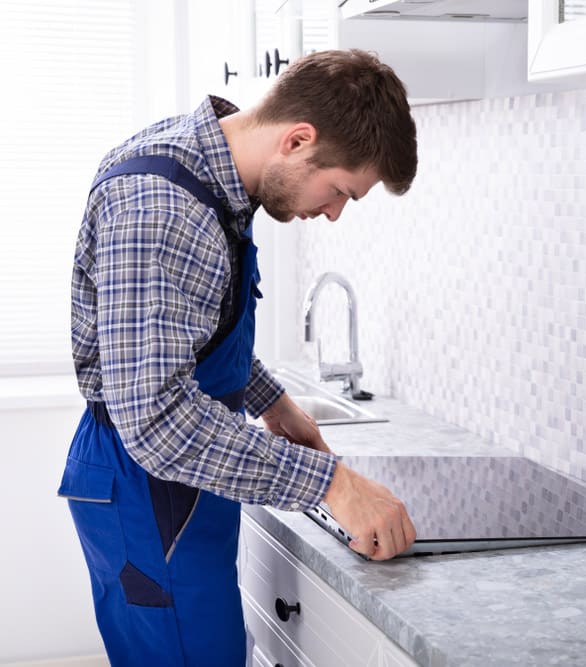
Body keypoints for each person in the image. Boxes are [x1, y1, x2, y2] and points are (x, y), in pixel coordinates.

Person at [57, 49, 418, 667]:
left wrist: (272, 403)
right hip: (153, 489)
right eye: (339, 192)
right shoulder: (162, 208)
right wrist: (333, 484)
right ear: (298, 140)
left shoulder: (207, 169)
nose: (332, 213)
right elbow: (158, 425)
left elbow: (187, 330)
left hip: (179, 488)